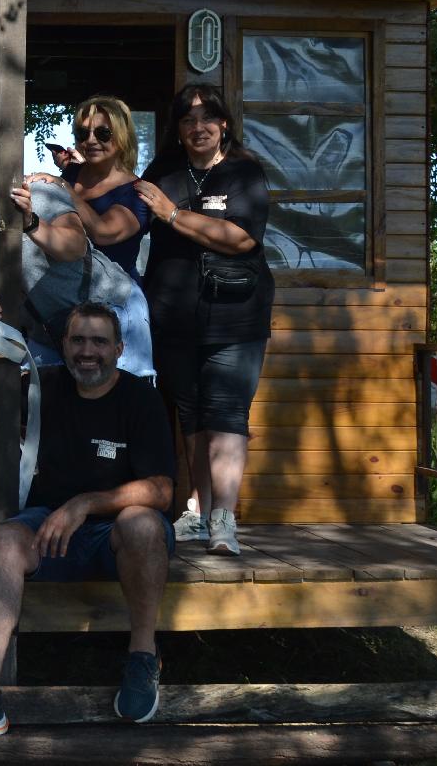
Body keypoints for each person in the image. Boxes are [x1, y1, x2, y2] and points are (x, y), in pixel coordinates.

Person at [0, 303, 175, 744]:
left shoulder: (141, 397)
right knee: (4, 540)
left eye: (99, 342)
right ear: (62, 345)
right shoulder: (44, 385)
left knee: (143, 523)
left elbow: (162, 490)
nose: (87, 351)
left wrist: (85, 503)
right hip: (50, 531)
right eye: (77, 340)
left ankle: (142, 657)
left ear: (119, 349)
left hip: (116, 534)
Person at [134, 83, 274, 557]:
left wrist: (172, 215)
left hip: (236, 318)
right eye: (188, 120)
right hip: (172, 317)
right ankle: (200, 511)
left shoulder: (244, 173)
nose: (198, 127)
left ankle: (224, 519)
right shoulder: (163, 171)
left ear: (224, 125)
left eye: (207, 118)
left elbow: (239, 238)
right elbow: (126, 209)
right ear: (177, 129)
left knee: (227, 414)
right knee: (192, 415)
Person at [0, 130, 154, 376]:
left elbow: (75, 246)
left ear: (6, 157)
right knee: (54, 411)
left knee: (121, 408)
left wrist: (31, 223)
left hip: (108, 309)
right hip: (50, 333)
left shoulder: (39, 193)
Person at [59, 95, 152, 282]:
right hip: (66, 292)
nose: (91, 141)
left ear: (122, 136)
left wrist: (62, 189)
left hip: (116, 298)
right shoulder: (71, 174)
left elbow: (103, 233)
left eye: (103, 133)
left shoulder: (137, 192)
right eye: (83, 133)